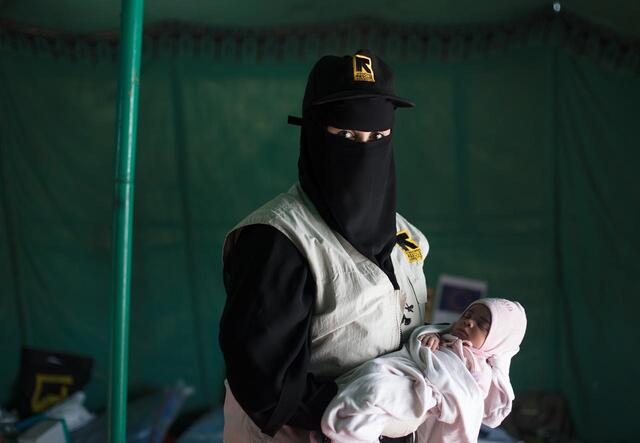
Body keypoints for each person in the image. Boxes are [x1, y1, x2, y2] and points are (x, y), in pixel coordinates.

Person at [218, 49, 428, 442]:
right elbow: (265, 386)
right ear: (313, 134)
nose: (365, 150)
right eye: (347, 136)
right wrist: (374, 407)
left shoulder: (406, 236)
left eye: (379, 137)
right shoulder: (277, 241)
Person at [321, 298, 527, 443]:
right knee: (374, 378)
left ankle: (351, 431)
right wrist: (433, 338)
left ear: (495, 341)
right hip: (409, 371)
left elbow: (472, 396)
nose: (469, 321)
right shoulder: (443, 335)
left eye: (482, 324)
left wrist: (443, 391)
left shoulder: (482, 368)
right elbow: (420, 345)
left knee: (375, 391)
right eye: (468, 314)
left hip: (433, 395)